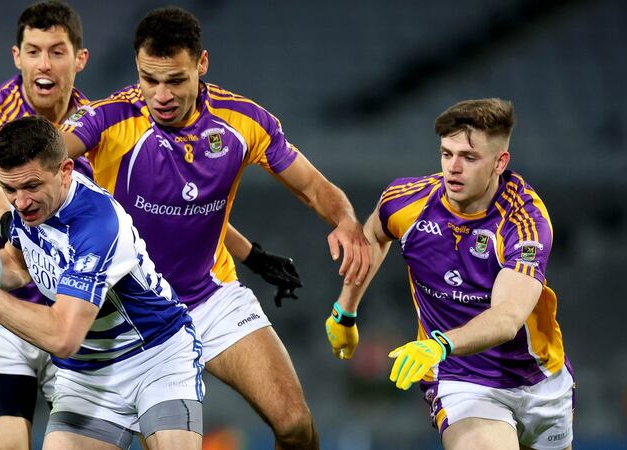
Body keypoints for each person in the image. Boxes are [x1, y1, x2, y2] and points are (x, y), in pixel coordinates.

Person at [59, 7, 371, 448]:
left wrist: (346, 222)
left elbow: (315, 188)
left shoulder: (243, 121)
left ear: (201, 65)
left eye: (176, 80)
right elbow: (47, 154)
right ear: (137, 70)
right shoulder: (108, 119)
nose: (161, 94)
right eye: (150, 79)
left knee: (296, 426)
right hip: (130, 314)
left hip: (210, 298)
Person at [0, 116, 205, 450]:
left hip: (155, 357)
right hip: (86, 374)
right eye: (9, 189)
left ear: (64, 171)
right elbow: (20, 265)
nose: (20, 202)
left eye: (31, 186)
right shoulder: (30, 209)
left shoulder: (98, 224)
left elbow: (63, 336)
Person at [324, 98, 574, 450]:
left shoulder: (524, 223)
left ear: (500, 162)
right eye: (446, 154)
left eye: (469, 158)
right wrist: (345, 310)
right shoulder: (408, 200)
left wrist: (440, 344)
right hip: (461, 378)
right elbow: (374, 236)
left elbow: (506, 319)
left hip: (539, 378)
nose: (452, 168)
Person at [0, 2, 92, 448]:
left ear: (79, 59)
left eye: (56, 51)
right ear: (17, 57)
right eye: (33, 52)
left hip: (69, 307)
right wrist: (14, 221)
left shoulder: (97, 124)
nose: (44, 64)